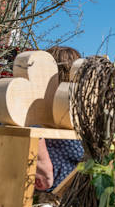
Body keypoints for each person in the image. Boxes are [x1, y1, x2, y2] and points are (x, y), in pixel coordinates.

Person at [36, 46, 84, 191]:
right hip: (44, 199)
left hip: (71, 198)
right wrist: (43, 163)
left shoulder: (74, 109)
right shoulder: (38, 106)